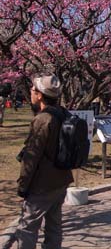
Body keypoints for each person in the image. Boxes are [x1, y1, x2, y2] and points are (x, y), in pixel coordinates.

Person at [15, 73, 74, 249]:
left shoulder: (43, 119)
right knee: (54, 226)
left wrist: (23, 186)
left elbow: (31, 157)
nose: (31, 93)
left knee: (27, 228)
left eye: (33, 90)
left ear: (40, 95)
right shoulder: (64, 113)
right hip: (61, 180)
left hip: (42, 185)